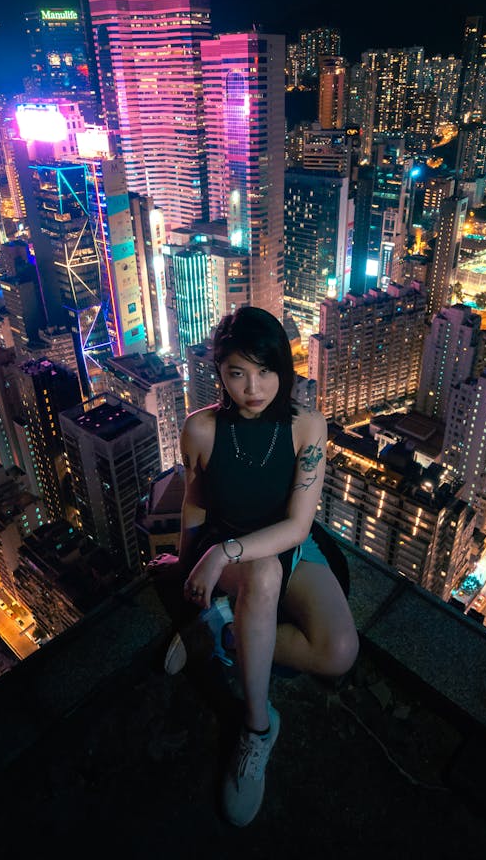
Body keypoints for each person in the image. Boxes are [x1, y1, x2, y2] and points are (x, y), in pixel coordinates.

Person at [147, 305, 359, 827]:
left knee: (340, 651)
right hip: (228, 546)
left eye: (266, 371)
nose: (253, 387)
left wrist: (224, 556)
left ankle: (220, 633)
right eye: (237, 372)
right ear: (219, 372)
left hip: (284, 546)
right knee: (261, 577)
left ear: (284, 370)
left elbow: (297, 528)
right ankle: (257, 728)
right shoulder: (201, 429)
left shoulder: (308, 426)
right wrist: (191, 563)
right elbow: (195, 502)